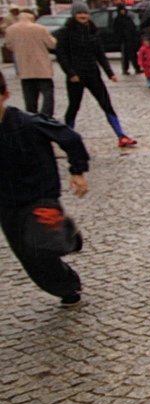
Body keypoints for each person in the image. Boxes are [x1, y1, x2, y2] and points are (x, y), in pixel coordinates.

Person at [0, 69, 90, 307]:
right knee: (28, 255)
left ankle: (67, 237)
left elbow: (69, 138)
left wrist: (77, 171)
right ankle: (66, 286)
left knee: (43, 244)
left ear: (5, 95)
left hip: (39, 196)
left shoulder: (29, 123)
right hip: (6, 203)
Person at [55, 0, 136, 148]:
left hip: (93, 72)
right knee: (74, 106)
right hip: (76, 75)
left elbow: (100, 53)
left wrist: (109, 72)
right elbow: (62, 55)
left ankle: (121, 135)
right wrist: (70, 72)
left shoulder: (92, 31)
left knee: (106, 103)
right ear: (74, 14)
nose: (83, 16)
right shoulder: (65, 32)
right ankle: (67, 137)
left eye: (85, 13)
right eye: (79, 13)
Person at [5, 8, 57, 116]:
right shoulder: (39, 28)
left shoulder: (10, 30)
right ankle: (46, 116)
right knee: (47, 94)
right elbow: (51, 44)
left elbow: (9, 45)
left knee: (30, 97)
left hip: (24, 68)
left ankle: (31, 118)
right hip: (42, 68)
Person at [114, 4, 141, 76]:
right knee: (125, 56)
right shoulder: (118, 20)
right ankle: (125, 69)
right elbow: (116, 31)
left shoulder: (128, 18)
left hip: (131, 39)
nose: (122, 11)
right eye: (121, 10)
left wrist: (134, 37)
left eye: (123, 10)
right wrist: (121, 38)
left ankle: (137, 68)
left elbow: (133, 28)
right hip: (124, 40)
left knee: (133, 55)